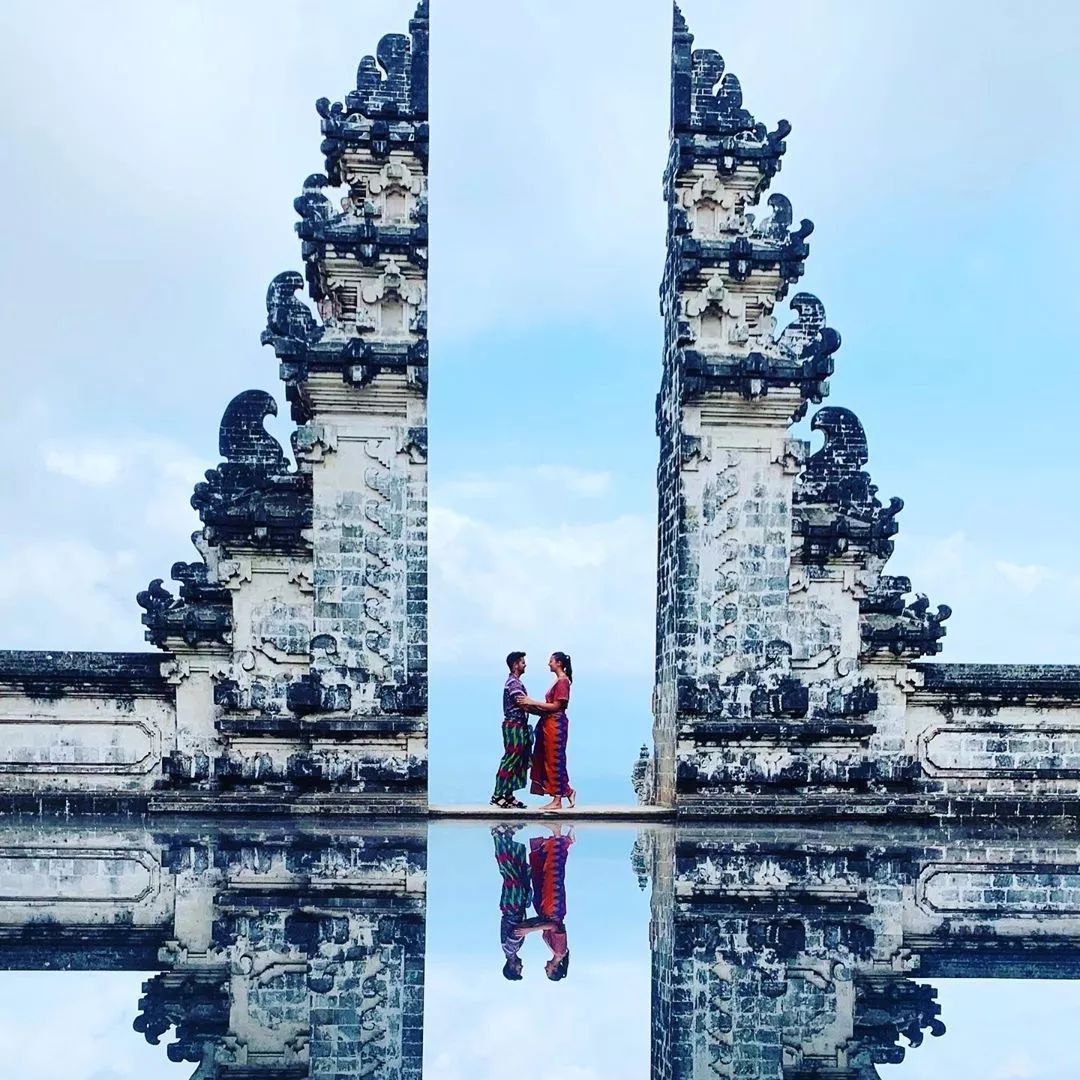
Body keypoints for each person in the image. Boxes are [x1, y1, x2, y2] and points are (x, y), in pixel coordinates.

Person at [490, 651, 551, 809]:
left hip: (520, 725)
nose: (525, 665)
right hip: (514, 725)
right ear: (515, 664)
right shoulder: (513, 683)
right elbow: (523, 704)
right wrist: (544, 712)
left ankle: (508, 795)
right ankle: (498, 795)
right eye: (522, 662)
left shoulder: (516, 682)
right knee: (511, 758)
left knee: (518, 760)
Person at [530, 652, 576, 811]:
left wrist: (533, 702)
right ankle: (567, 791)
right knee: (550, 759)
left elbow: (556, 706)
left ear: (559, 663)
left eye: (551, 661)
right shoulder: (558, 681)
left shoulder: (563, 682)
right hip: (550, 723)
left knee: (555, 759)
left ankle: (557, 799)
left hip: (556, 724)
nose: (548, 664)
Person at [491, 823, 531, 980]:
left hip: (512, 907)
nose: (521, 967)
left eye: (519, 970)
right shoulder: (512, 950)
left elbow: (517, 931)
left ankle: (497, 837)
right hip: (514, 907)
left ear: (511, 967)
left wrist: (535, 927)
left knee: (510, 873)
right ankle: (508, 837)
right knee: (519, 872)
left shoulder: (510, 949)